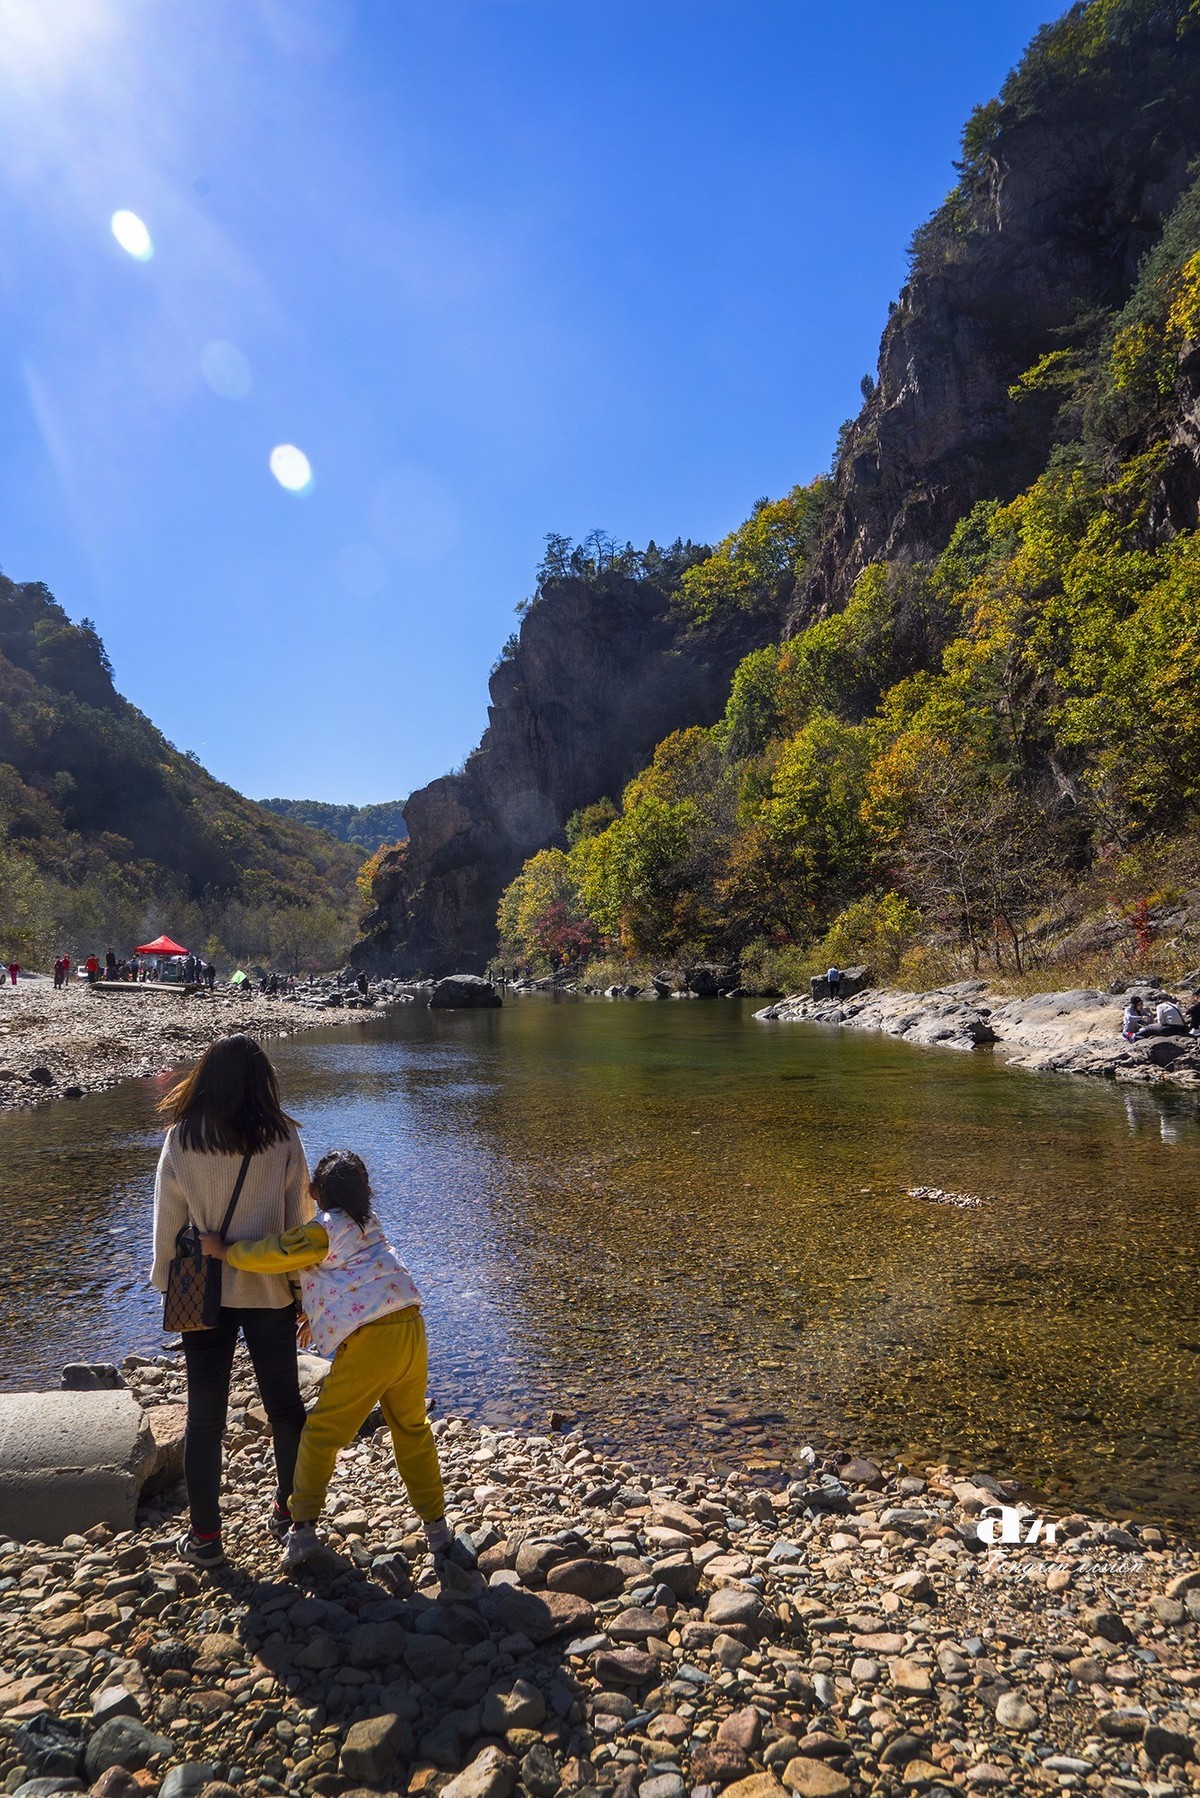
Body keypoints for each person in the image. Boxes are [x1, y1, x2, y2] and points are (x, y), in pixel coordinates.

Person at [201, 1149, 453, 1570]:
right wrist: (313, 1311)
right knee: (411, 1429)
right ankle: (437, 1528)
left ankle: (301, 1531)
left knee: (320, 1435)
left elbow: (277, 1252)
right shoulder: (368, 1225)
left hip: (373, 1341)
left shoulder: (324, 1229)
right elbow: (349, 1279)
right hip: (412, 1330)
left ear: (315, 1191)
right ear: (365, 1192)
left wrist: (226, 1251)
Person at [151, 1034, 313, 1568]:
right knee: (286, 1408)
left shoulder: (181, 1139)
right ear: (260, 1081)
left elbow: (168, 1229)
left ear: (206, 1078)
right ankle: (290, 1515)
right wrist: (304, 1294)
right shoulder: (284, 1138)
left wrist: (166, 1286)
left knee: (204, 1419)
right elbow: (300, 1227)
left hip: (203, 1293)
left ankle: (205, 1539)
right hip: (268, 1291)